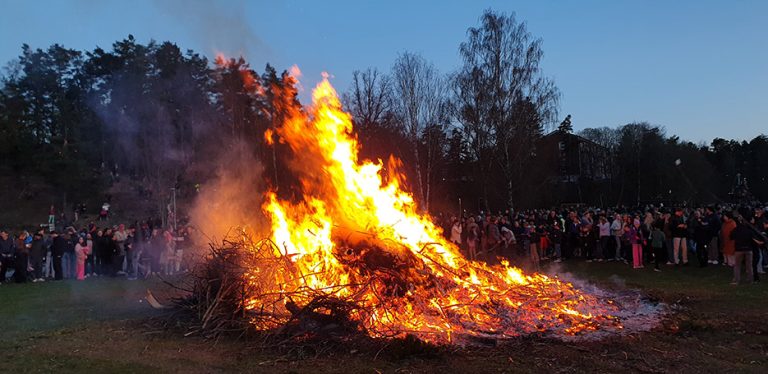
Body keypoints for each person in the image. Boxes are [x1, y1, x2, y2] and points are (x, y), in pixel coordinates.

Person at [730, 214, 764, 285]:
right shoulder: (749, 230)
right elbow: (755, 240)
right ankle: (750, 280)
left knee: (737, 266)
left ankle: (736, 280)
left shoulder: (735, 230)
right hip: (748, 249)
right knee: (749, 266)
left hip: (739, 249)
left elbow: (731, 237)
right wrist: (761, 242)